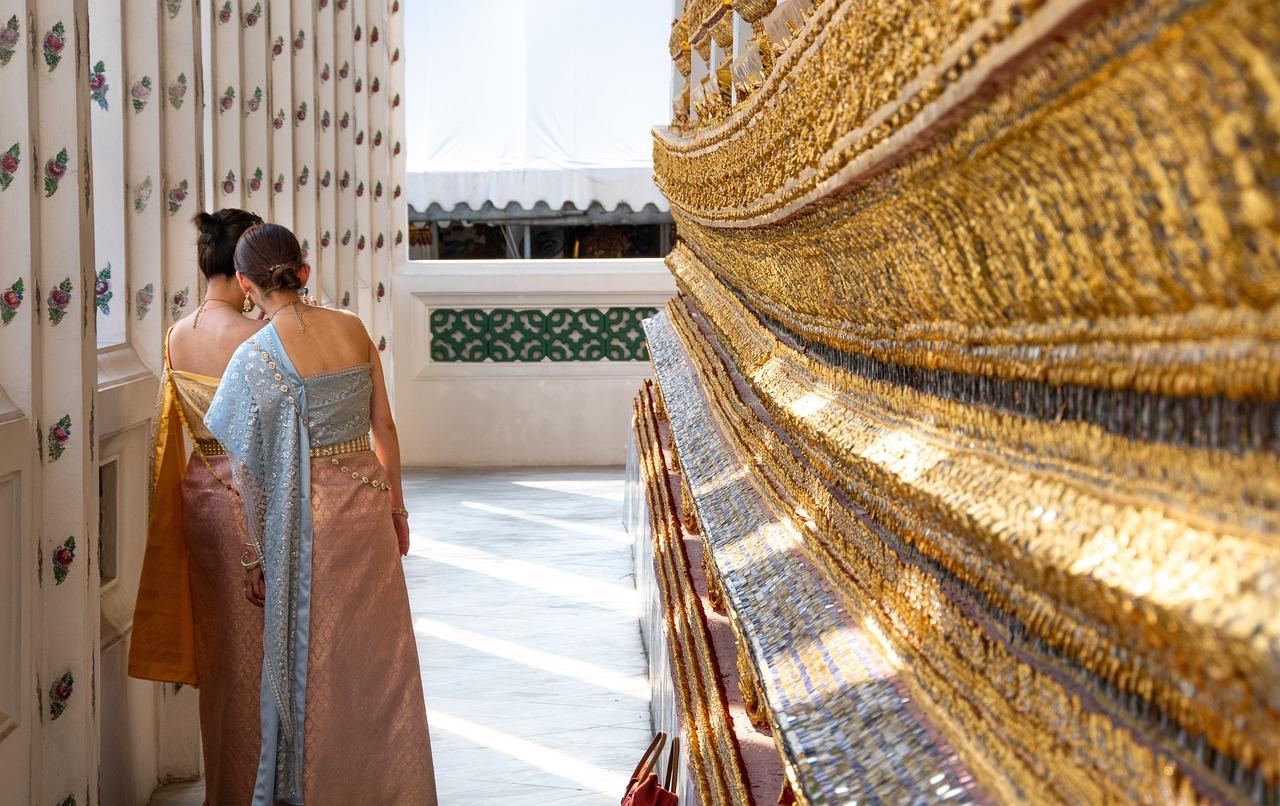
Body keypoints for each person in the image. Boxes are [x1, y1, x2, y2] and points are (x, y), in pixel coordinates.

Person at [205, 223, 437, 805]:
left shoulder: (255, 356)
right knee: (379, 659)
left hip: (308, 526)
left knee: (318, 662)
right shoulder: (353, 328)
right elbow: (385, 427)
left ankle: (318, 789)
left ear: (245, 284)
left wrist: (255, 550)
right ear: (302, 271)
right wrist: (397, 507)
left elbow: (247, 470)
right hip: (368, 512)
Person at [129, 208, 268, 805]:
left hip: (202, 496)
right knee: (268, 656)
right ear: (247, 267)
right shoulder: (260, 336)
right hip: (255, 500)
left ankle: (227, 789)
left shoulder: (176, 334)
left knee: (224, 660)